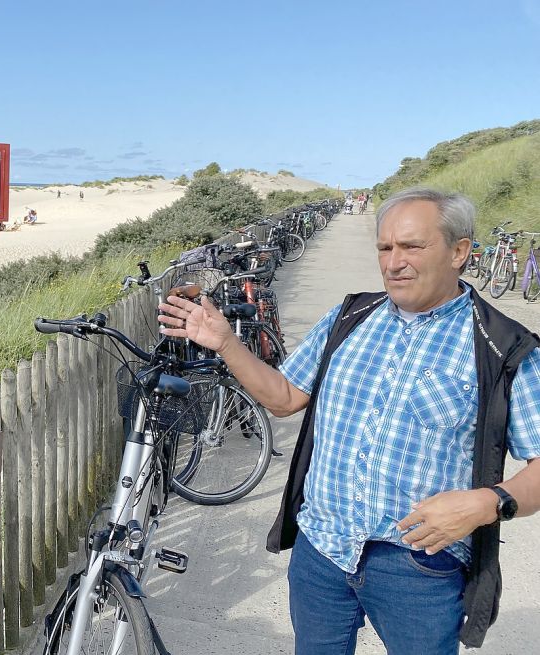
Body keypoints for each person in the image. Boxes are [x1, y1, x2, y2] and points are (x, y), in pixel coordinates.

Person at [158, 187, 540, 654]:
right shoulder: (350, 317)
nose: (394, 262)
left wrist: (487, 503)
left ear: (459, 251)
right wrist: (225, 343)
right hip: (320, 554)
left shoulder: (503, 346)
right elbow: (283, 398)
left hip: (419, 568)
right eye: (385, 247)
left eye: (412, 247)